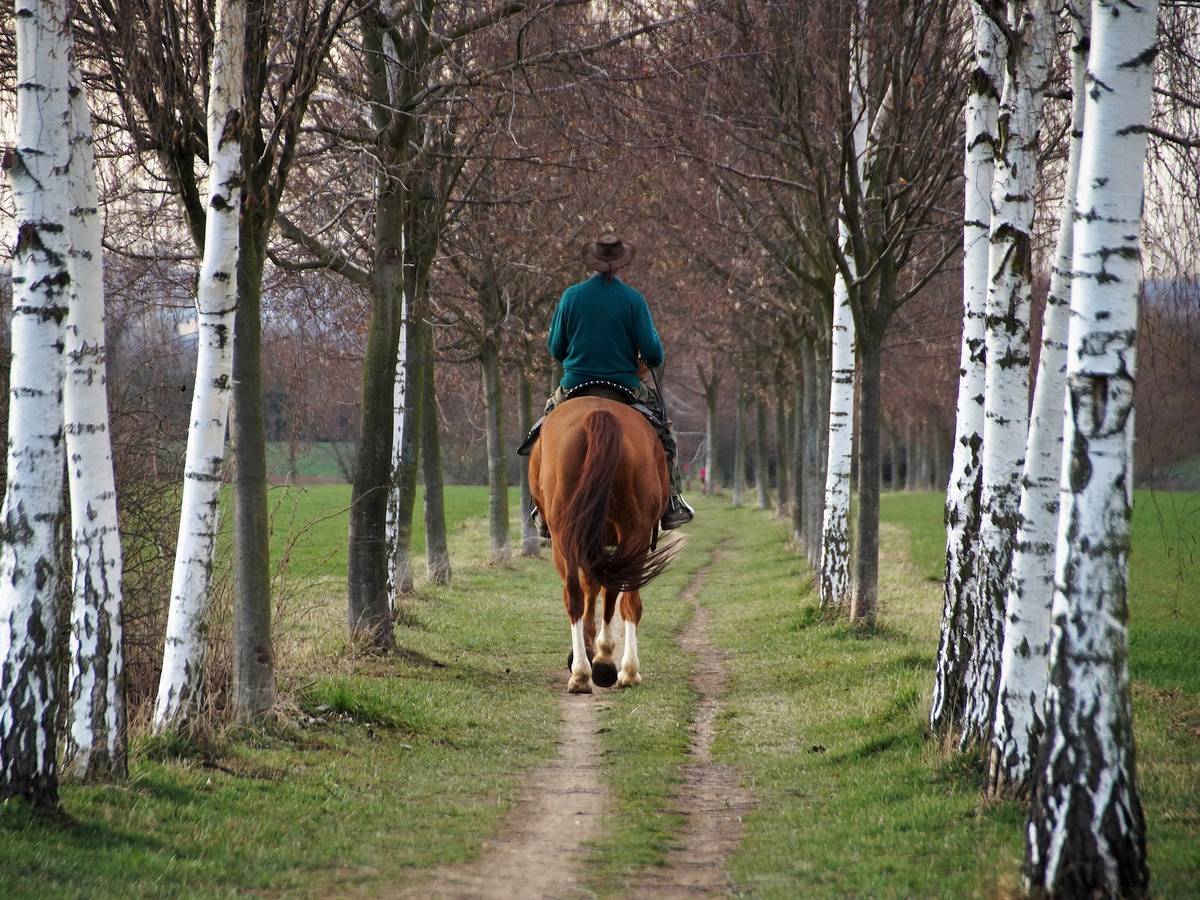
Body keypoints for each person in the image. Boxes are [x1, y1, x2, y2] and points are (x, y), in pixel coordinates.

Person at [520, 232, 695, 535]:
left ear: (593, 261)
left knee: (544, 429)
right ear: (620, 263)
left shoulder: (570, 296)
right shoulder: (633, 300)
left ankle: (542, 506)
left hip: (575, 386)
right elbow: (654, 353)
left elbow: (555, 349)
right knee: (665, 432)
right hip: (625, 387)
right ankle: (671, 504)